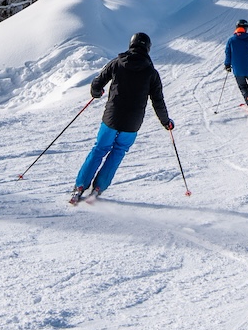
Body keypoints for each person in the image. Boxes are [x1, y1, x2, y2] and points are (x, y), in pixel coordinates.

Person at [70, 32, 173, 204]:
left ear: (131, 45)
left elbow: (97, 83)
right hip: (132, 123)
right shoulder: (151, 72)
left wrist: (97, 92)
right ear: (147, 48)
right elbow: (158, 101)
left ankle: (80, 186)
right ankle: (98, 188)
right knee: (118, 152)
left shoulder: (117, 63)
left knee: (99, 149)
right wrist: (166, 121)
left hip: (112, 117)